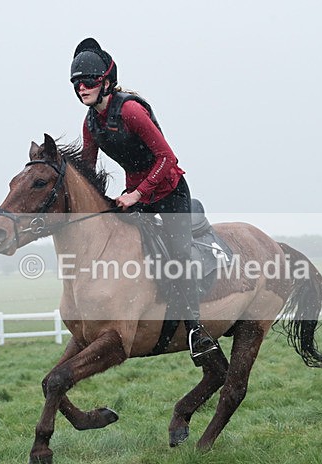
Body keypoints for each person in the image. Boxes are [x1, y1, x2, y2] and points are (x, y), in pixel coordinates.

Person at [70, 37, 221, 365]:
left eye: (88, 82)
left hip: (170, 192)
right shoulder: (91, 123)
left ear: (107, 81)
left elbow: (168, 157)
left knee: (177, 256)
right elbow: (87, 171)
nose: (82, 88)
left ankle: (196, 331)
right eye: (76, 84)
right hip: (136, 195)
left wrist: (138, 193)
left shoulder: (132, 111)